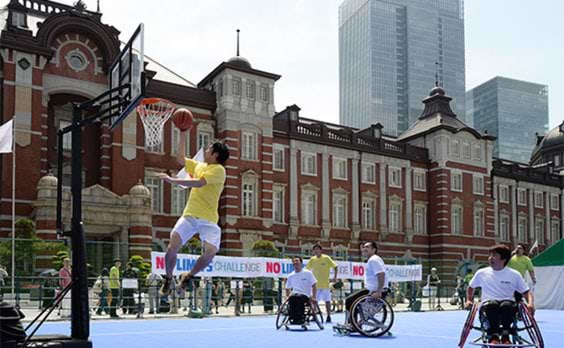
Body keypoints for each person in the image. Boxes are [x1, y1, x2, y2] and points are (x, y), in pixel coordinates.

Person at [158, 137, 230, 296]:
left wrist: (172, 180)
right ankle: (168, 279)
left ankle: (188, 277)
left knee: (210, 253)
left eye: (209, 149)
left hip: (208, 219)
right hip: (190, 215)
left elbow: (199, 183)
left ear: (215, 154)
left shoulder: (219, 170)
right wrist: (183, 132)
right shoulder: (199, 166)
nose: (205, 151)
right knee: (171, 248)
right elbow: (180, 159)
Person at [465, 244, 533, 345]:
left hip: (508, 304)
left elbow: (526, 291)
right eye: (490, 255)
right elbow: (471, 287)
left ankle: (505, 335)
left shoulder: (514, 274)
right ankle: (494, 335)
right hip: (488, 306)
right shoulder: (481, 273)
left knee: (506, 305)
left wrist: (530, 303)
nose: (490, 258)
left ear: (504, 259)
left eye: (494, 255)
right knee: (492, 304)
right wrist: (469, 300)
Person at [337, 242, 388, 330]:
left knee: (349, 300)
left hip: (373, 291)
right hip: (372, 289)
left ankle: (352, 324)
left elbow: (381, 274)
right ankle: (353, 323)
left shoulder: (373, 260)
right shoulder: (374, 259)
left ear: (374, 249)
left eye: (367, 247)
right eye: (364, 247)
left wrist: (379, 291)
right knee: (352, 299)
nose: (364, 249)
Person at [305, 243, 338, 322]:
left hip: (325, 285)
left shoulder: (326, 258)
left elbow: (335, 267)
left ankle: (329, 316)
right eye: (314, 249)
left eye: (317, 249)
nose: (315, 251)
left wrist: (335, 277)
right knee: (314, 301)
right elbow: (307, 270)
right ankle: (314, 316)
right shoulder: (312, 259)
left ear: (321, 250)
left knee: (327, 301)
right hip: (315, 285)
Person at [285, 256, 317, 324]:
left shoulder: (308, 273)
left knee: (299, 298)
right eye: (293, 261)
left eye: (297, 261)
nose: (295, 262)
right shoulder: (291, 275)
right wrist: (287, 296)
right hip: (294, 295)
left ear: (301, 263)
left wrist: (314, 297)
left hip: (305, 295)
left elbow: (314, 285)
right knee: (292, 299)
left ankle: (300, 318)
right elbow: (287, 288)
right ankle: (293, 318)